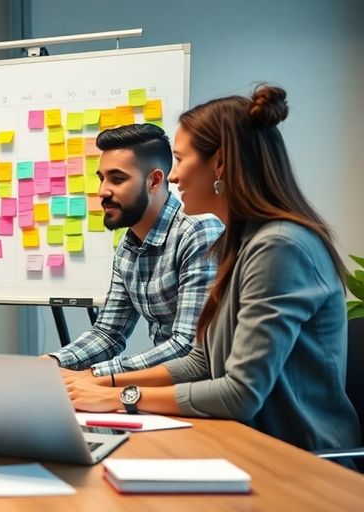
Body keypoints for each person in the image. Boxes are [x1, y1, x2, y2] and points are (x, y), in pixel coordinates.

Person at [65, 85, 360, 454]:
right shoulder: (242, 243)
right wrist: (102, 383)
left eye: (181, 159)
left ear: (219, 163)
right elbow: (201, 361)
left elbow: (239, 393)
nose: (173, 177)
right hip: (246, 442)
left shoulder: (280, 246)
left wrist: (119, 395)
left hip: (300, 458)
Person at [43, 124, 223, 379]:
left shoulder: (198, 231)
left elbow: (188, 344)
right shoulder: (127, 249)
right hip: (165, 387)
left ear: (155, 181)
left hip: (209, 391)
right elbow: (108, 334)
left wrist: (95, 375)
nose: (102, 191)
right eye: (101, 178)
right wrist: (50, 363)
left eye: (117, 179)